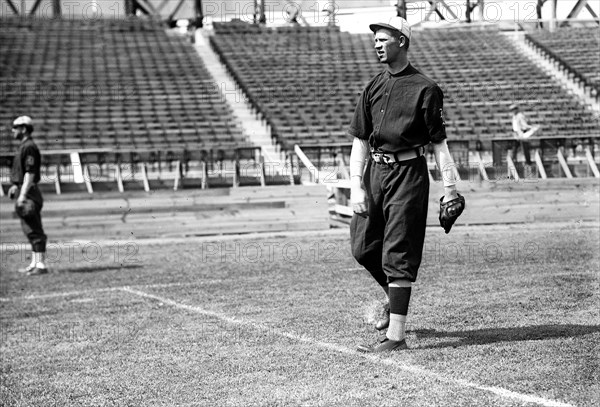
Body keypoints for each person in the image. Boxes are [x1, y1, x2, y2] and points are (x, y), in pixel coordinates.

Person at [348, 17, 462, 352]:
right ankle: (394, 298)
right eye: (375, 41)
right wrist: (356, 184)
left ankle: (395, 336)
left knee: (397, 251)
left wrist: (450, 190)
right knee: (363, 247)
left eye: (384, 39)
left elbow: (439, 144)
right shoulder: (372, 86)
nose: (377, 45)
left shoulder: (426, 88)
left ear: (402, 41)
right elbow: (359, 140)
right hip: (376, 174)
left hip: (409, 174)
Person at [8, 116, 49, 276]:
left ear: (23, 128)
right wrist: (15, 186)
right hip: (24, 189)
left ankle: (41, 264)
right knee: (28, 229)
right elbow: (22, 172)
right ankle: (34, 263)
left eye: (15, 127)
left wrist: (23, 194)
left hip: (29, 192)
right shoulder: (24, 146)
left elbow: (30, 173)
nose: (12, 130)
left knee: (34, 229)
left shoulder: (29, 147)